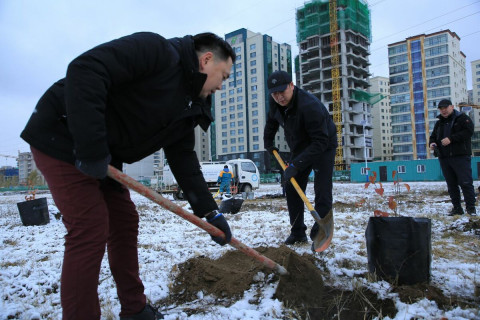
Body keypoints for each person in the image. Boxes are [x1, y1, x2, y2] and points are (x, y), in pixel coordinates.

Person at [20, 32, 235, 320]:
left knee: (124, 220)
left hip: (102, 153)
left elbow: (183, 158)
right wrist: (92, 149)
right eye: (224, 76)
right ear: (207, 60)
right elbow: (85, 69)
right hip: (63, 134)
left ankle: (134, 309)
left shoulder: (189, 104)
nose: (222, 86)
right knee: (90, 227)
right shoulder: (157, 51)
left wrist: (210, 212)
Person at [263, 71, 337, 248]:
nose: (279, 97)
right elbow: (271, 124)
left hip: (323, 145)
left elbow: (320, 141)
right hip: (300, 146)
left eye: (282, 91)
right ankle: (297, 232)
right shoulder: (275, 104)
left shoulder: (309, 106)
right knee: (291, 185)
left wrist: (296, 164)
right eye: (275, 94)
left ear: (291, 85)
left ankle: (321, 233)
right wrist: (268, 143)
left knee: (322, 188)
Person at [429, 99, 476, 216]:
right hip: (444, 158)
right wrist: (432, 143)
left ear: (452, 107)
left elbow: (469, 131)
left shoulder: (462, 118)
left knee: (465, 183)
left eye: (445, 108)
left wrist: (452, 139)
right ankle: (457, 208)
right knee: (451, 184)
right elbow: (433, 136)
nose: (443, 110)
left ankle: (471, 210)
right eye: (441, 109)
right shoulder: (439, 123)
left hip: (460, 156)